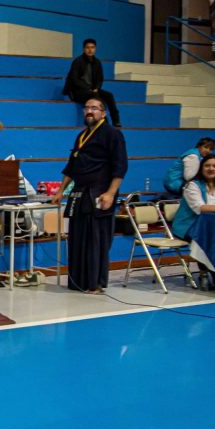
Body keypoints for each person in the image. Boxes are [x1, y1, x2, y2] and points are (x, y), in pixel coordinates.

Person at [50, 96, 128, 294]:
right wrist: (61, 191)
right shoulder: (82, 135)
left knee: (96, 240)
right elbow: (72, 166)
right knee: (77, 237)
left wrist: (111, 193)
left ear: (103, 112)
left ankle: (95, 283)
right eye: (86, 108)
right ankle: (78, 281)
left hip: (100, 192)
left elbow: (120, 166)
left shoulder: (112, 134)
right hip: (79, 193)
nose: (89, 111)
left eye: (94, 108)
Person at [63, 38, 122, 127]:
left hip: (92, 90)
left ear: (95, 49)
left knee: (109, 95)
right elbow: (74, 80)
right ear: (84, 49)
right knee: (95, 97)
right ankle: (104, 123)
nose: (90, 50)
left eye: (92, 47)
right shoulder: (77, 61)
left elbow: (100, 79)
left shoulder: (97, 62)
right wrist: (89, 89)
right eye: (88, 47)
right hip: (78, 91)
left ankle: (116, 121)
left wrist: (96, 88)